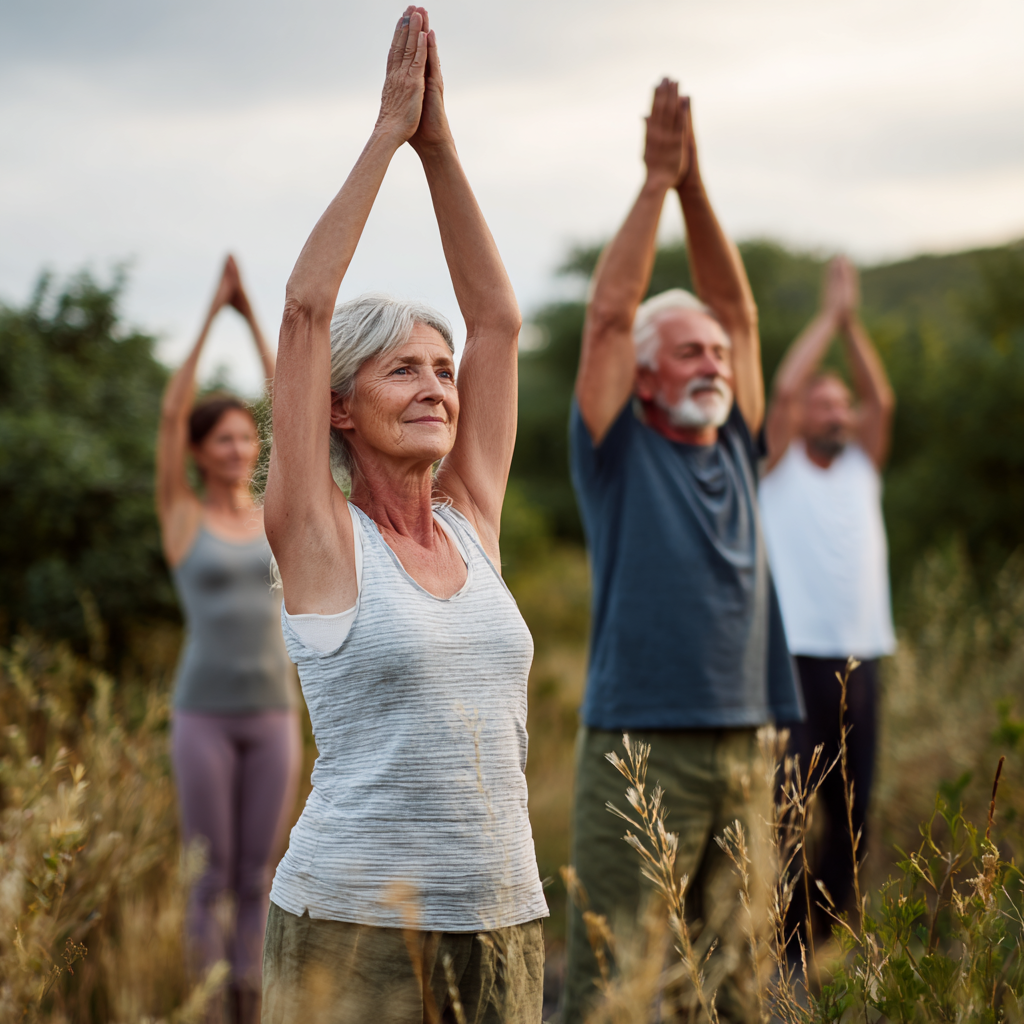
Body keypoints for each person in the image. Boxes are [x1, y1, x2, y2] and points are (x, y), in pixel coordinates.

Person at [260, 9, 547, 1022]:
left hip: (504, 912)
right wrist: (388, 132)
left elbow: (497, 324)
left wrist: (443, 146)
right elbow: (303, 310)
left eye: (440, 370)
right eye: (401, 370)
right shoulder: (322, 538)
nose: (436, 385)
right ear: (340, 404)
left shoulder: (471, 520)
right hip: (356, 923)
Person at [564, 80, 803, 1023]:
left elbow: (740, 313)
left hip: (750, 732)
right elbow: (608, 317)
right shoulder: (618, 450)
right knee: (620, 976)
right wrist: (656, 184)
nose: (715, 361)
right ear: (648, 375)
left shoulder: (741, 442)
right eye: (691, 352)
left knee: (739, 979)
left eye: (718, 354)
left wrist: (698, 186)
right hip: (641, 738)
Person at [156, 255, 301, 1024]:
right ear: (201, 450)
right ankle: (211, 1008)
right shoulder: (184, 519)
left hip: (272, 713)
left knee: (263, 873)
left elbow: (293, 412)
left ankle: (256, 1000)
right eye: (224, 440)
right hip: (204, 716)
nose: (240, 450)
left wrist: (256, 318)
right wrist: (215, 314)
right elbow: (171, 413)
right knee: (207, 877)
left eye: (249, 439)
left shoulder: (277, 513)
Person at [760, 255, 896, 949]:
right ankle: (779, 940)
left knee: (854, 807)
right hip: (792, 656)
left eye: (842, 404)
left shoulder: (862, 463)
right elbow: (782, 390)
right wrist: (828, 317)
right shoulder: (777, 466)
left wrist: (853, 324)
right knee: (790, 802)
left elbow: (884, 400)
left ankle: (824, 936)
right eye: (825, 404)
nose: (837, 411)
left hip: (861, 654)